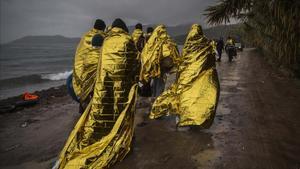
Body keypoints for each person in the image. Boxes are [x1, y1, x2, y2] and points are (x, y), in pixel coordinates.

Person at [54, 18, 139, 169]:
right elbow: (135, 64)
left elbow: (85, 62)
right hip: (123, 88)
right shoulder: (127, 40)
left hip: (103, 88)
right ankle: (121, 140)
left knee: (101, 115)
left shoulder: (102, 42)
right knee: (121, 114)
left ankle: (100, 137)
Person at [149, 24, 220, 130]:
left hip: (187, 77)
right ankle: (197, 118)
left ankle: (186, 117)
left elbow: (184, 62)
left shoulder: (187, 46)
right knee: (199, 96)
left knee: (185, 96)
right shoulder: (206, 44)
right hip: (201, 77)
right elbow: (211, 60)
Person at [72, 19, 106, 113]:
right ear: (103, 28)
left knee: (85, 91)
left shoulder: (85, 37)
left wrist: (78, 74)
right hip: (98, 75)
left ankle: (84, 111)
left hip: (83, 71)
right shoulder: (103, 38)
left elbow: (79, 55)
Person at [140, 25, 180, 98]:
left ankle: (156, 99)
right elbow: (176, 54)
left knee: (157, 84)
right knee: (164, 86)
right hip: (169, 68)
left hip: (159, 68)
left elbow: (148, 56)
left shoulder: (155, 42)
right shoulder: (170, 41)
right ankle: (161, 98)